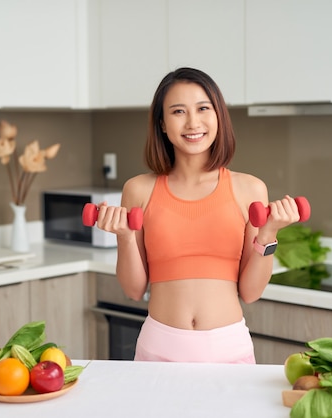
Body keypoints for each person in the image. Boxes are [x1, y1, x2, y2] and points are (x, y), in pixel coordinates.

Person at [94, 67, 301, 363]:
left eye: (203, 108)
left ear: (218, 116)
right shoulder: (138, 189)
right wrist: (125, 238)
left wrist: (268, 235)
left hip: (229, 348)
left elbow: (251, 292)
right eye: (178, 111)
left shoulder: (250, 189)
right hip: (158, 348)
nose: (193, 122)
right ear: (162, 124)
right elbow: (133, 289)